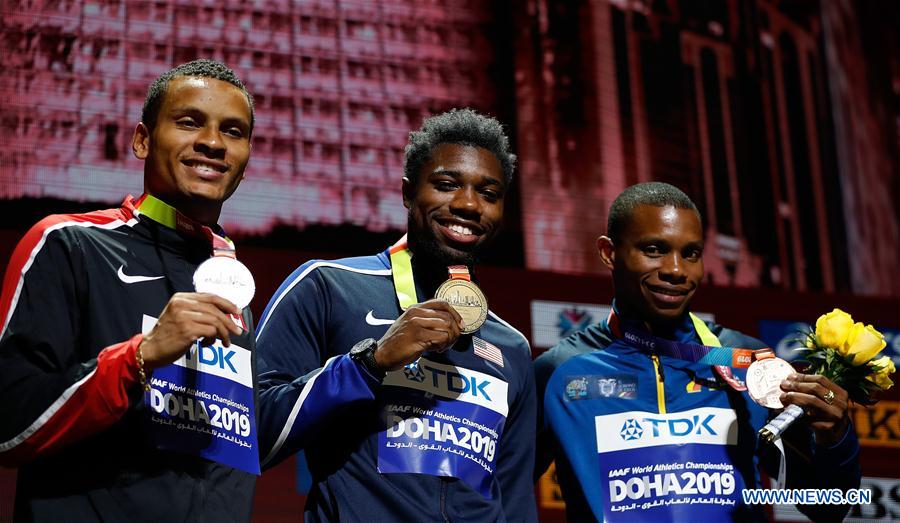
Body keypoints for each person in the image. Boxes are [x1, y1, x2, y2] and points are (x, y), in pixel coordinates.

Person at [0, 59, 258, 521]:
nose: (213, 143)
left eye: (233, 131)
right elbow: (8, 425)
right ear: (142, 140)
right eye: (189, 122)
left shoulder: (232, 285)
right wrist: (139, 356)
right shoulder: (69, 244)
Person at [255, 109, 537, 522]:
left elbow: (513, 501)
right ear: (408, 193)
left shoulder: (511, 347)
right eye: (445, 185)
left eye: (489, 194)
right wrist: (369, 365)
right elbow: (251, 432)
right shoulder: (329, 287)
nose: (468, 204)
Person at [534, 182, 860, 521]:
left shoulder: (750, 364)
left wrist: (835, 437)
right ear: (609, 253)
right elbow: (505, 492)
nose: (677, 270)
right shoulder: (558, 371)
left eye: (690, 253)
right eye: (654, 249)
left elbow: (829, 507)